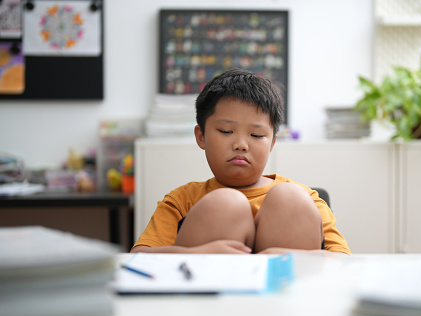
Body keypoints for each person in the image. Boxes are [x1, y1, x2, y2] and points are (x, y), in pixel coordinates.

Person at [132, 69, 351, 255]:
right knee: (225, 203)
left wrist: (295, 258)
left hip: (283, 298)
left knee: (290, 197)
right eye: (226, 131)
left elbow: (344, 264)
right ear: (201, 136)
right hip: (207, 299)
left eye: (256, 135)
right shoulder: (181, 201)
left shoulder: (307, 198)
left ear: (272, 143)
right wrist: (197, 255)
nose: (241, 145)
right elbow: (137, 258)